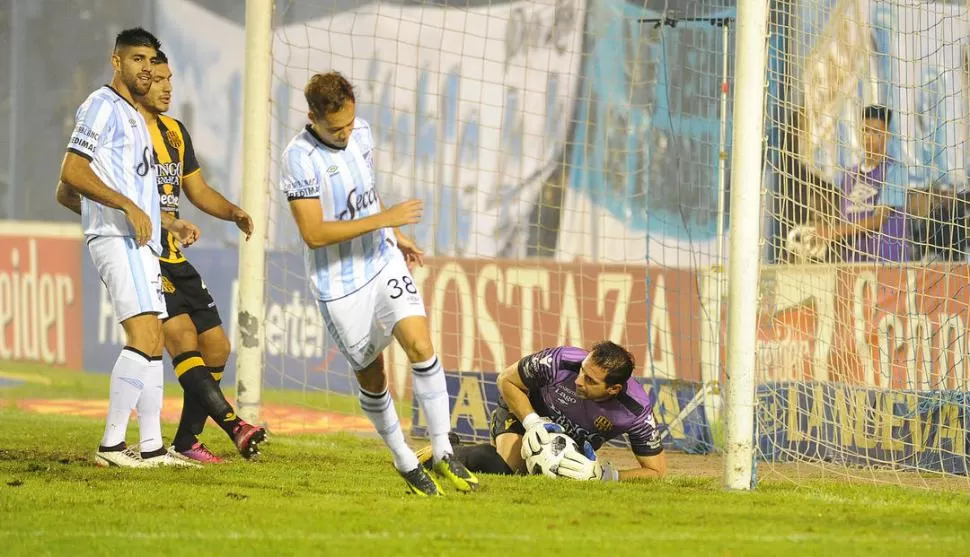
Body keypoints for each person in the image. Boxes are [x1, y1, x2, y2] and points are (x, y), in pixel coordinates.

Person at [278, 71, 476, 496]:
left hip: (381, 261)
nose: (347, 133)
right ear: (312, 117)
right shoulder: (298, 158)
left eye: (350, 122)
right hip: (339, 284)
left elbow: (366, 192)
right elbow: (313, 233)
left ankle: (443, 452)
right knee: (373, 375)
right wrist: (388, 220)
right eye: (336, 128)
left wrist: (396, 235)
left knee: (421, 345)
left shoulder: (363, 133)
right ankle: (404, 458)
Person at [123, 50, 266, 462]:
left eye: (171, 79)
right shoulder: (126, 131)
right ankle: (235, 425)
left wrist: (233, 211)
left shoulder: (175, 132)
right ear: (140, 79)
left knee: (217, 348)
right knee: (181, 337)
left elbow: (197, 190)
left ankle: (186, 441)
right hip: (143, 253)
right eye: (159, 79)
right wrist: (165, 222)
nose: (167, 87)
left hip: (174, 256)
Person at [56, 27, 189, 468]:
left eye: (151, 61)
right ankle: (112, 445)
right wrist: (119, 211)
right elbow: (72, 172)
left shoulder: (134, 114)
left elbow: (67, 193)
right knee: (146, 336)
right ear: (117, 62)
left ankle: (150, 447)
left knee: (154, 344)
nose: (146, 69)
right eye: (136, 60)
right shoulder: (102, 106)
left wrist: (164, 219)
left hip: (139, 241)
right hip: (119, 241)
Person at [418, 342, 667, 481]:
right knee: (509, 470)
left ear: (613, 389)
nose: (580, 380)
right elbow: (506, 380)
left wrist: (605, 476)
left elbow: (656, 471)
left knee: (552, 478)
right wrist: (532, 422)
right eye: (582, 370)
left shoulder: (636, 410)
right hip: (525, 410)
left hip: (565, 440)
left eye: (591, 380)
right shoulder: (559, 361)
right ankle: (442, 453)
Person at [818, 105, 910, 262]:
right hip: (853, 264)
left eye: (875, 132)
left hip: (887, 264)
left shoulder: (896, 171)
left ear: (887, 135)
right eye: (865, 130)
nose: (868, 136)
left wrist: (833, 232)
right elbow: (846, 219)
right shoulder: (849, 175)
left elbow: (878, 219)